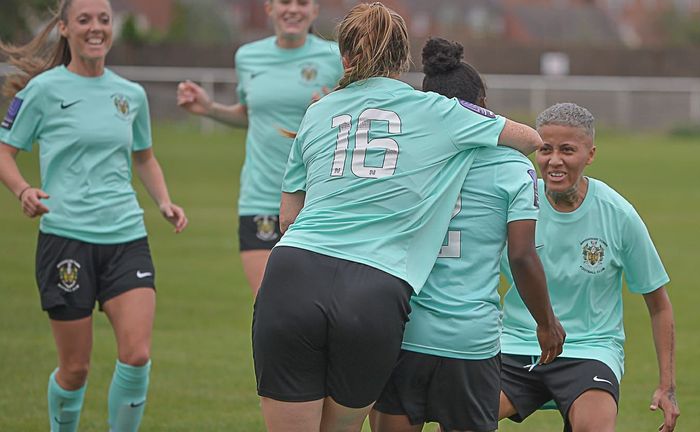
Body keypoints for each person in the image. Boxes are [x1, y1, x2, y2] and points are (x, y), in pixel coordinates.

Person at [251, 3, 562, 431]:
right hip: (373, 287)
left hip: (292, 276)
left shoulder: (318, 111)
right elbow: (529, 139)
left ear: (344, 58)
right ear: (402, 60)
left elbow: (289, 217)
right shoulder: (436, 110)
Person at [0, 1, 187, 431]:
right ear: (64, 29)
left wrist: (163, 201)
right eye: (84, 19)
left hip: (126, 237)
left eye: (103, 19)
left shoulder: (131, 94)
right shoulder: (43, 91)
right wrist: (24, 190)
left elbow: (145, 158)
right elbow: (7, 152)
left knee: (137, 355)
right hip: (65, 239)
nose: (96, 27)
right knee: (75, 369)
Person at [369, 37, 564, 432]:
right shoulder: (513, 165)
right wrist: (546, 322)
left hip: (404, 330)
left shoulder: (403, 160)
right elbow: (522, 255)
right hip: (470, 340)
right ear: (482, 103)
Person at [498, 103, 680, 432]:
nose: (554, 161)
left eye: (567, 150)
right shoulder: (517, 202)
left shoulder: (618, 213)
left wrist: (667, 388)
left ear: (590, 154)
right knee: (460, 419)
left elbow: (659, 304)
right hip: (517, 343)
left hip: (590, 349)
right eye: (545, 149)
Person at [177, 0, 343, 297]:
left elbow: (350, 120)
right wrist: (210, 108)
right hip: (260, 197)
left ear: (314, 10)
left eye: (302, 3)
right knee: (270, 308)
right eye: (284, 2)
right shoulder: (248, 57)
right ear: (269, 8)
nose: (293, 9)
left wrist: (331, 111)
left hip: (317, 200)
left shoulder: (334, 58)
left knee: (314, 308)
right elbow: (251, 114)